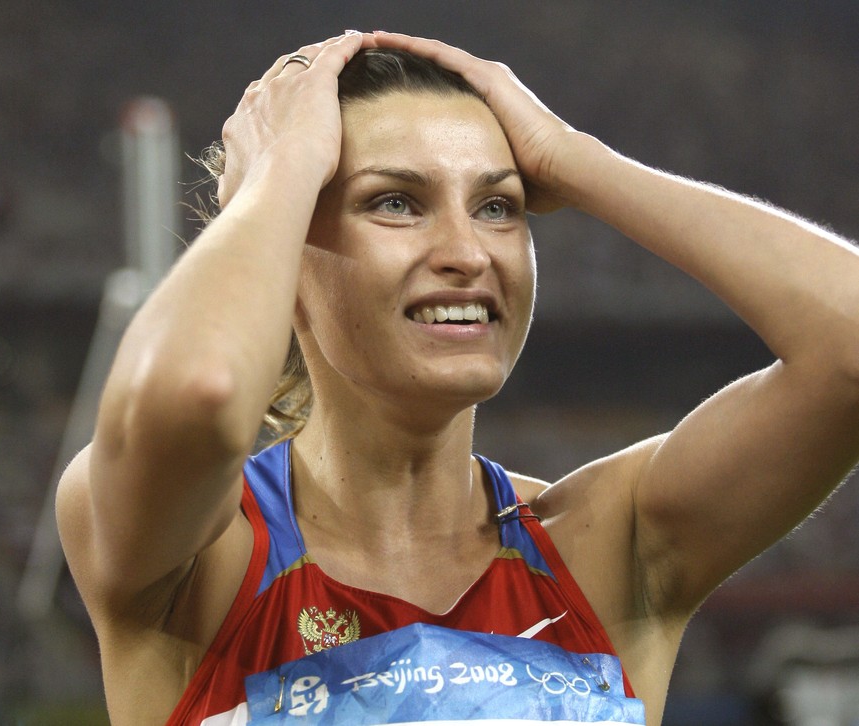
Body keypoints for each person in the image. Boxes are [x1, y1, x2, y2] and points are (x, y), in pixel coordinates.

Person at [56, 30, 859, 726]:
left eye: (498, 207)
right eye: (396, 203)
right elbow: (198, 391)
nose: (467, 254)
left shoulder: (605, 547)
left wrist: (577, 161)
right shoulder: (199, 552)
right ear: (285, 257)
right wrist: (280, 175)